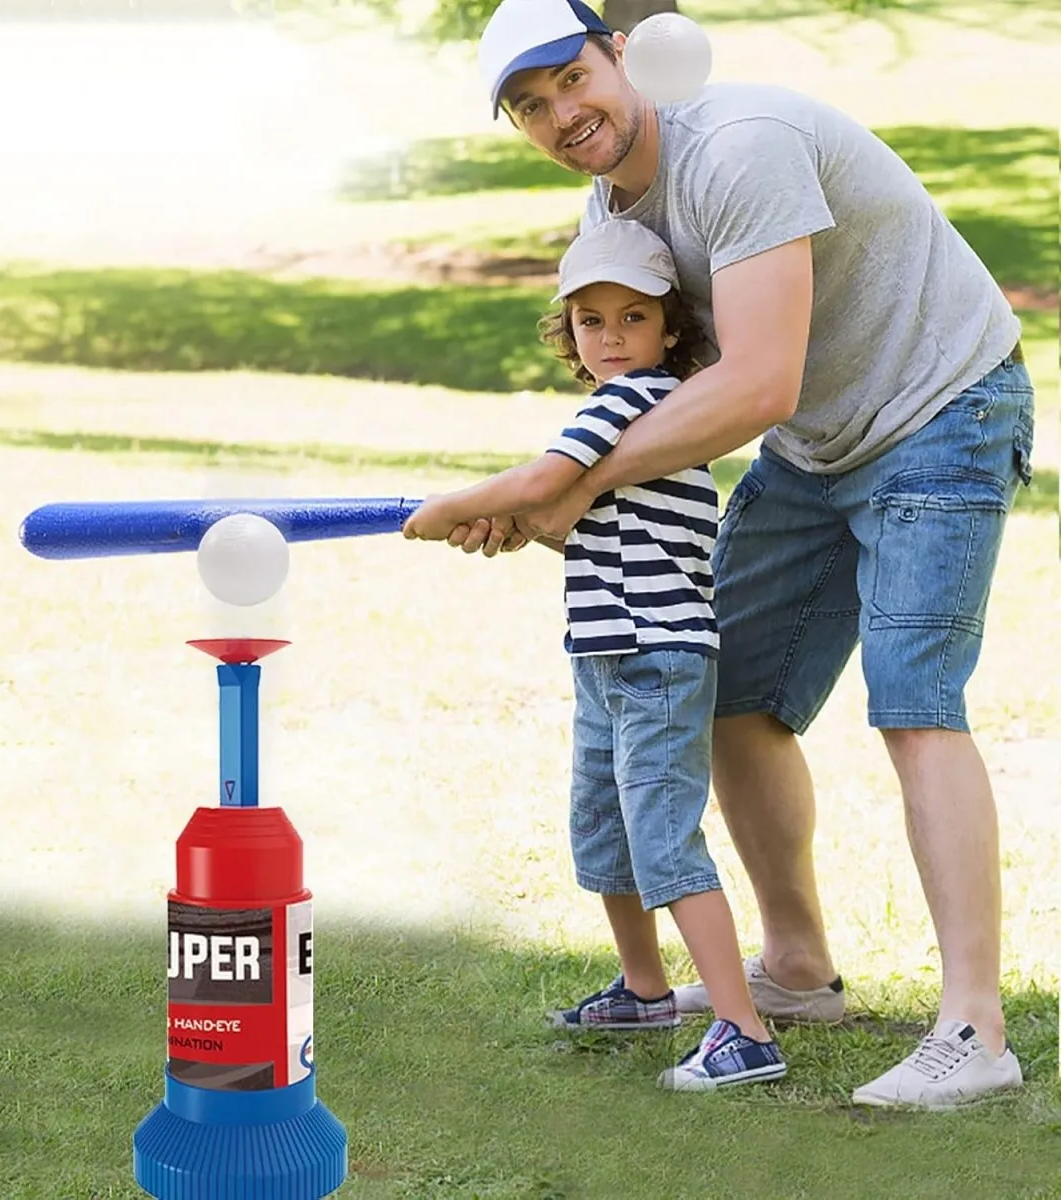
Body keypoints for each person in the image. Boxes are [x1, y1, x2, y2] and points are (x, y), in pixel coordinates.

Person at [455, 0, 1036, 1109]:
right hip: (817, 444)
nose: (562, 114)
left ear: (616, 54)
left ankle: (975, 1028)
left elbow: (757, 381)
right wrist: (553, 496)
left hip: (942, 409)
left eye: (570, 79)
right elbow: (653, 385)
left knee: (916, 705)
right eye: (530, 107)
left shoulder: (741, 149)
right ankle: (800, 967)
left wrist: (558, 482)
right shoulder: (612, 206)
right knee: (730, 693)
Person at [404, 218, 787, 1091]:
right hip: (608, 654)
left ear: (670, 330)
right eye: (590, 321)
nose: (611, 338)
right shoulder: (621, 419)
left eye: (633, 318)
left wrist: (445, 506)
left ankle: (744, 1027)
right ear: (568, 331)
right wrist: (504, 527)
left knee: (662, 837)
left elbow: (541, 485)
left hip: (656, 657)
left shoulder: (636, 402)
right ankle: (646, 990)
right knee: (605, 826)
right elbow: (566, 523)